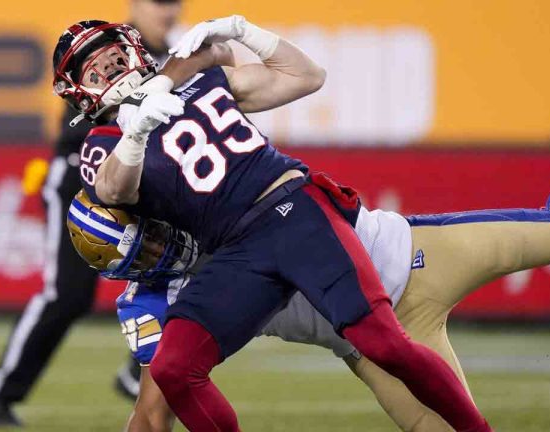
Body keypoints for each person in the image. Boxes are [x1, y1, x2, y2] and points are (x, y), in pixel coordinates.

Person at [52, 15, 493, 432]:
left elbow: (298, 74)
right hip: (236, 249)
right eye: (94, 69)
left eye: (112, 54)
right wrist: (135, 133)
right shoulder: (103, 143)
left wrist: (240, 34)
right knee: (174, 368)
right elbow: (112, 189)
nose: (109, 66)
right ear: (80, 94)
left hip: (292, 211)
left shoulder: (192, 84)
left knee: (385, 344)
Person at [66, 142, 550, 431]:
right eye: (146, 256)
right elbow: (153, 412)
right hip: (364, 342)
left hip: (414, 256)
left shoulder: (205, 200)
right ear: (125, 275)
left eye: (153, 234)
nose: (164, 250)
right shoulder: (153, 302)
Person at [0, 1, 185, 426]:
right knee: (67, 295)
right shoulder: (106, 46)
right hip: (82, 176)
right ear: (136, 5)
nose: (168, 10)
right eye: (158, 1)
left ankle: (138, 374)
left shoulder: (169, 54)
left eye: (174, 1)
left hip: (140, 178)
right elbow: (89, 121)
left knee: (183, 273)